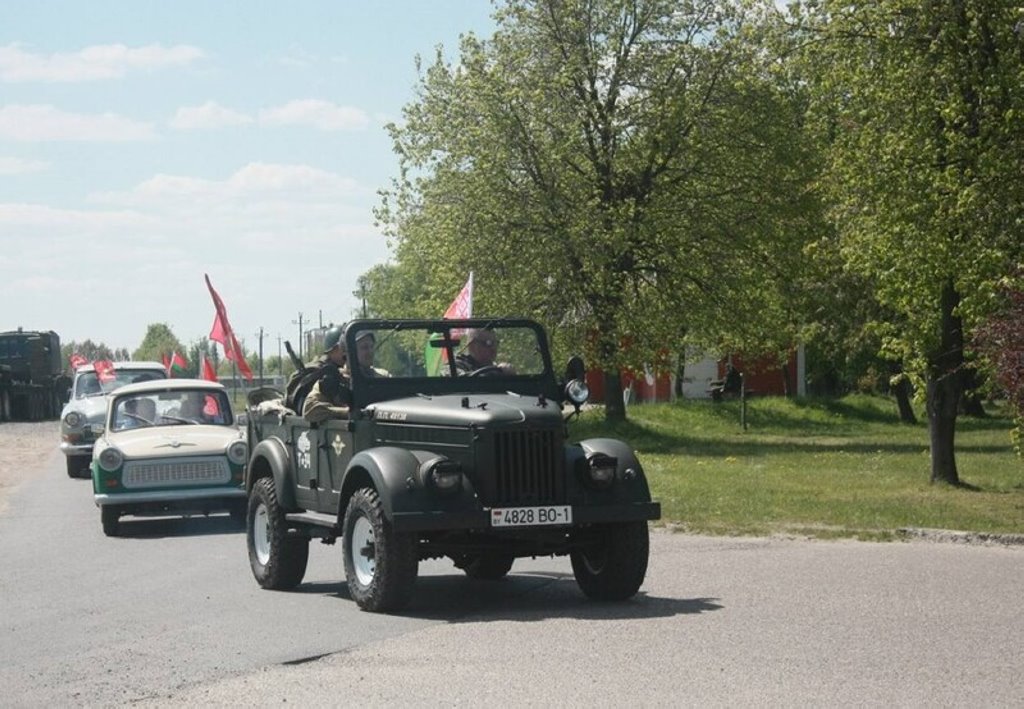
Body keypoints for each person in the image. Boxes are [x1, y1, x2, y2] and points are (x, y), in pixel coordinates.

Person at [302, 325, 353, 422]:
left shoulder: (377, 374)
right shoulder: (328, 375)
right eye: (341, 347)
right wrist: (346, 412)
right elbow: (309, 410)